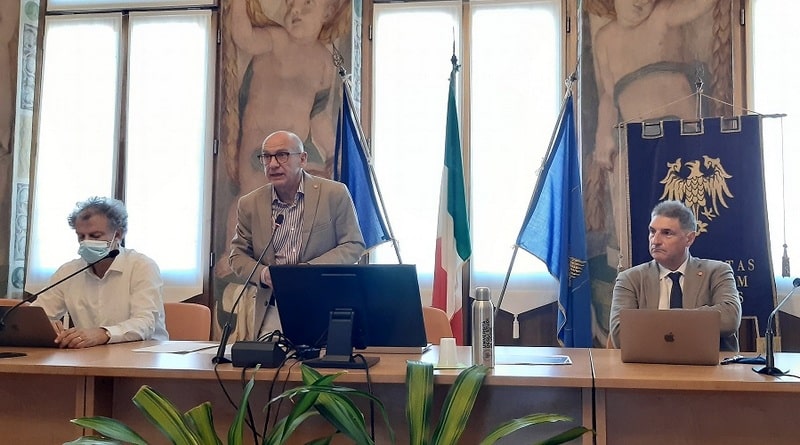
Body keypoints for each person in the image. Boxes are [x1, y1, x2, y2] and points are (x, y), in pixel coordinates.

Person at [228, 130, 365, 339]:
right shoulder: (250, 204)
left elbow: (353, 245)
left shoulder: (334, 194)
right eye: (266, 157)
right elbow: (237, 255)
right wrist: (264, 274)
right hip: (273, 308)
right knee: (268, 360)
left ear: (302, 159)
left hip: (325, 305)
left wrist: (308, 272)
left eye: (282, 155)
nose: (273, 164)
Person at [32, 197, 168, 348]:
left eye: (95, 236)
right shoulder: (68, 271)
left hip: (143, 355)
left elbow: (145, 323)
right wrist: (44, 326)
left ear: (118, 235)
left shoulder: (142, 266)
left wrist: (104, 333)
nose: (86, 242)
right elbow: (35, 315)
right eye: (81, 236)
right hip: (89, 356)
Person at [608, 200, 741, 351]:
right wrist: (695, 321)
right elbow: (620, 333)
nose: (655, 241)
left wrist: (659, 322)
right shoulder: (630, 279)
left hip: (708, 363)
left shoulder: (717, 271)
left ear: (689, 239)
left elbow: (729, 318)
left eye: (667, 233)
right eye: (652, 232)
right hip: (650, 362)